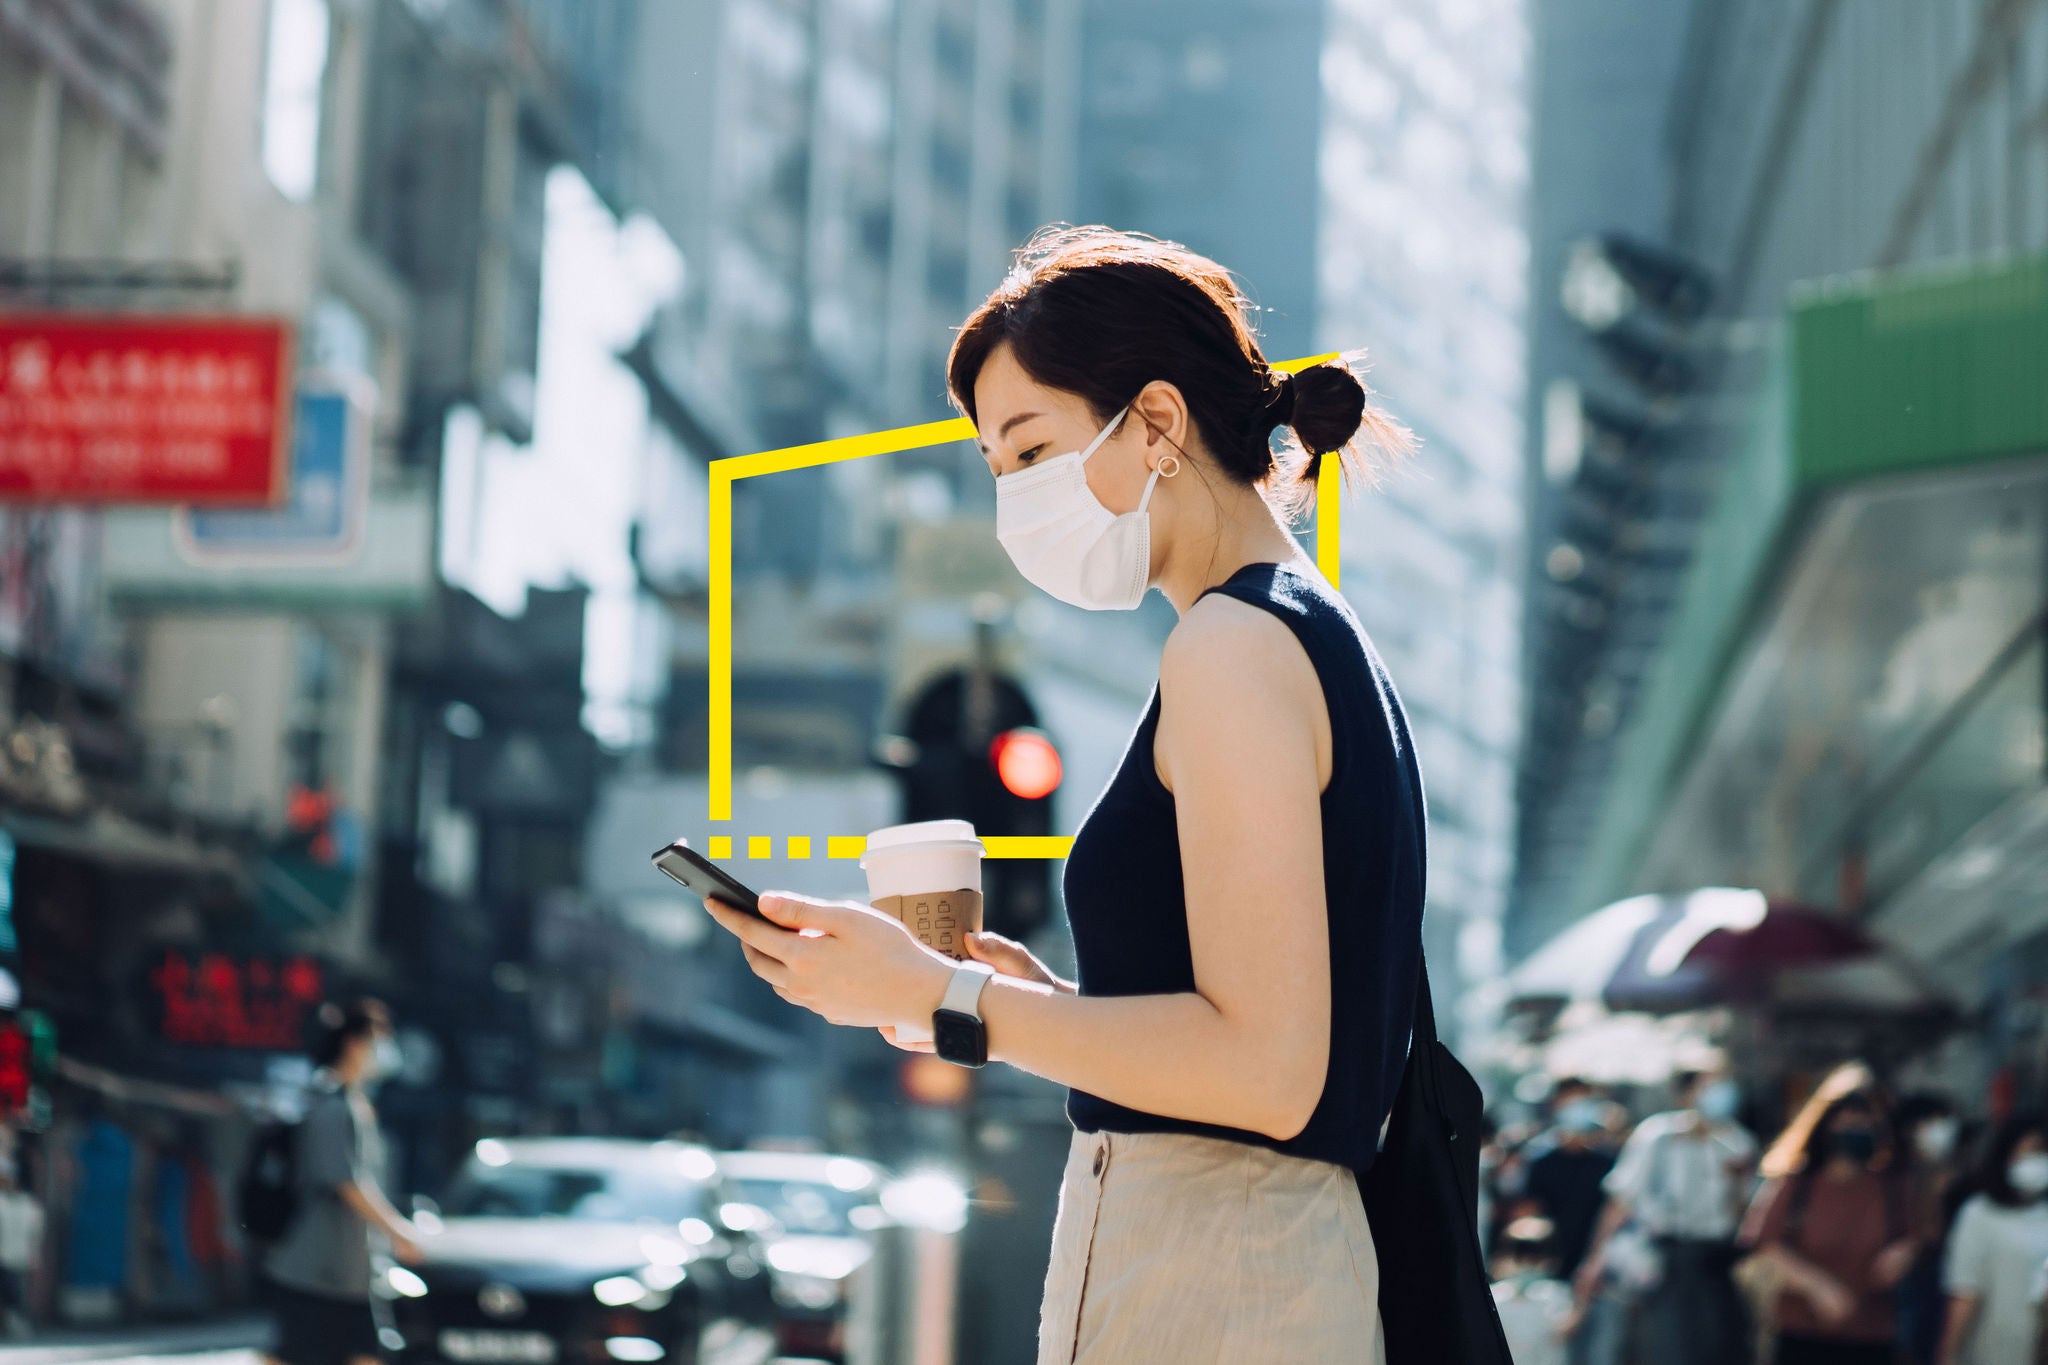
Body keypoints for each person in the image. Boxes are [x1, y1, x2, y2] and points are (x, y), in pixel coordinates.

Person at [701, 223, 1425, 1364]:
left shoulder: (1230, 648)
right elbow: (1263, 1029)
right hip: (1251, 1265)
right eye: (996, 472)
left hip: (1212, 1276)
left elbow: (1270, 1072)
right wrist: (1044, 995)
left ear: (1155, 423)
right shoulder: (1298, 632)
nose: (1014, 505)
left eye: (1030, 452)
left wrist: (946, 997)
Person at [262, 998, 422, 1365]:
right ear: (355, 1042)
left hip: (353, 1273)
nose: (385, 1052)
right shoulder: (332, 1104)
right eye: (380, 1040)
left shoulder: (353, 1102)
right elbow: (346, 1182)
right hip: (318, 1272)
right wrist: (398, 1230)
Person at [1573, 1059, 1759, 1365]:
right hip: (1666, 1259)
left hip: (1718, 1261)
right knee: (1667, 1348)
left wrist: (1737, 1181)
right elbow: (1621, 1201)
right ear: (1687, 1094)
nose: (1722, 1094)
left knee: (1719, 1348)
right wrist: (1596, 1259)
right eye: (1710, 1085)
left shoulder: (1739, 1143)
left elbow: (1745, 1214)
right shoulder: (1657, 1136)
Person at [1737, 1062, 1923, 1365]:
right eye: (1848, 1123)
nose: (1857, 1131)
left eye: (1866, 1123)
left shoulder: (1894, 1188)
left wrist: (1904, 1254)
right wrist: (1818, 1287)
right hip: (1804, 1333)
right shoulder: (1797, 1185)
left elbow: (1915, 1237)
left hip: (1872, 1334)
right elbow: (1767, 1244)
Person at [1939, 1111, 2048, 1365]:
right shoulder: (1979, 1213)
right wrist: (1948, 1354)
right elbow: (1964, 1291)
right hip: (1993, 1349)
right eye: (2029, 1152)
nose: (2037, 1161)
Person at [1892, 1093, 1964, 1365]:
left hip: (1942, 1272)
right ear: (1911, 1128)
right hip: (1908, 1274)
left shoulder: (1956, 1173)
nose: (1943, 1129)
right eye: (1934, 1121)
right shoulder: (1895, 1175)